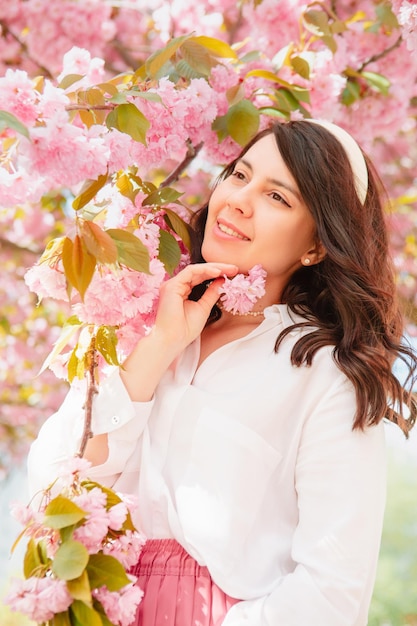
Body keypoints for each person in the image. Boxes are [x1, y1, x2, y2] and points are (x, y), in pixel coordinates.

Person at [28, 119, 417, 626]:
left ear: (316, 246)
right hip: (108, 605)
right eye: (238, 174)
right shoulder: (141, 326)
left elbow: (333, 593)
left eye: (278, 197)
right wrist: (158, 348)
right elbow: (53, 491)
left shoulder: (325, 374)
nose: (237, 199)